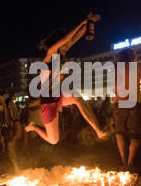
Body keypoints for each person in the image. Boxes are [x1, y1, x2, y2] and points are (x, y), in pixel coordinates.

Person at [25, 13, 107, 144]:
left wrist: (90, 22)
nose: (66, 48)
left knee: (78, 99)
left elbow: (78, 36)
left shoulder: (60, 54)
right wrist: (82, 21)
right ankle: (33, 126)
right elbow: (66, 38)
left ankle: (98, 130)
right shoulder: (49, 54)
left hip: (60, 95)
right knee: (53, 140)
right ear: (58, 44)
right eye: (64, 45)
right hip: (48, 101)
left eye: (67, 46)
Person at [113, 48, 141, 167]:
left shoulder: (117, 68)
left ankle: (123, 160)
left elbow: (115, 88)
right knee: (135, 134)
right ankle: (130, 162)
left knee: (119, 132)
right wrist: (139, 84)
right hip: (134, 101)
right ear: (133, 56)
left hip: (119, 102)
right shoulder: (139, 66)